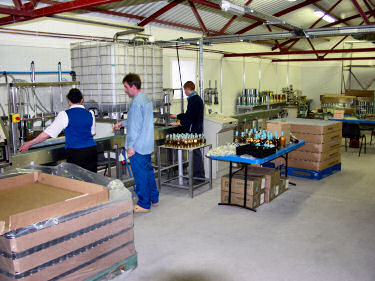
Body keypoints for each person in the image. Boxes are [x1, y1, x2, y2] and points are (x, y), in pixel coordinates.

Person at [18, 88, 97, 172]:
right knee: (90, 178)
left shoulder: (64, 115)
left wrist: (29, 143)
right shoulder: (90, 113)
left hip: (76, 152)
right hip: (91, 150)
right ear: (82, 99)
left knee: (76, 180)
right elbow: (92, 132)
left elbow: (47, 134)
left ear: (68, 101)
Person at [113, 73, 159, 213]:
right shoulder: (145, 99)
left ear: (133, 86)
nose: (125, 90)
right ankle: (154, 198)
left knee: (140, 175)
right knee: (148, 172)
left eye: (126, 87)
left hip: (137, 146)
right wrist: (123, 123)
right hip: (146, 144)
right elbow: (137, 120)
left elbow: (135, 128)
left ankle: (144, 204)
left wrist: (131, 146)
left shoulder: (136, 102)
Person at [170, 81, 205, 180]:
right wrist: (177, 116)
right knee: (195, 152)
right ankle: (197, 174)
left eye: (185, 90)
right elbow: (189, 114)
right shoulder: (196, 98)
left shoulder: (193, 100)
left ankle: (198, 176)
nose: (184, 92)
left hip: (193, 130)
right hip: (197, 129)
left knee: (195, 153)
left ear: (189, 89)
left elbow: (190, 116)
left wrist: (180, 122)